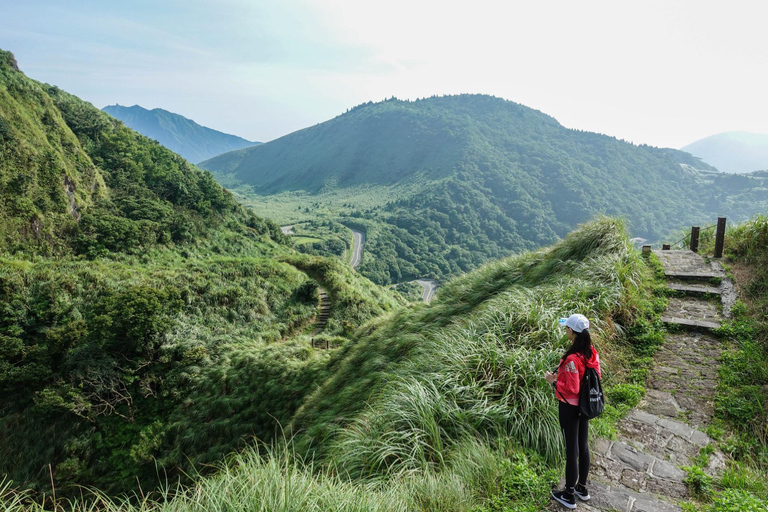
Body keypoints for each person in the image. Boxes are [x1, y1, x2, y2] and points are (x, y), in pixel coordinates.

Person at [544, 314, 601, 509]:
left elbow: (572, 388)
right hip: (586, 406)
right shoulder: (592, 352)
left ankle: (568, 494)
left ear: (572, 332)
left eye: (566, 327)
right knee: (583, 445)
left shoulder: (571, 359)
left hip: (570, 407)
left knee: (571, 450)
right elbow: (596, 377)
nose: (565, 330)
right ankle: (581, 489)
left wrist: (553, 382)